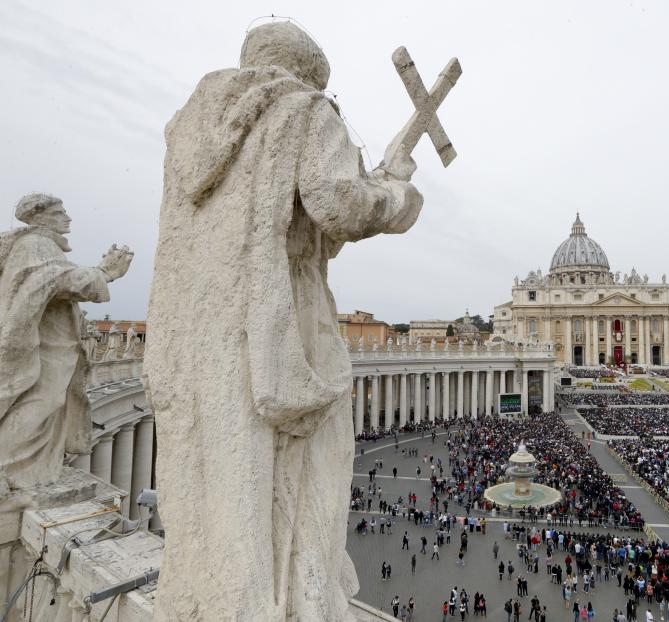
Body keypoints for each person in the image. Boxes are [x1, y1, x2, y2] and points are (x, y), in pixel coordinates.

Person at [145, 21, 424, 622]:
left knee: (220, 474)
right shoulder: (303, 109)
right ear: (310, 72)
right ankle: (297, 599)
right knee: (304, 471)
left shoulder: (189, 130)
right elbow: (339, 206)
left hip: (202, 331)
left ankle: (217, 598)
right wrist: (394, 186)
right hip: (282, 319)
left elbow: (304, 220)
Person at [0, 193, 132, 489]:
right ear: (39, 216)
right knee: (40, 401)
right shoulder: (35, 244)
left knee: (47, 402)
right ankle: (10, 468)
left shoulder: (42, 246)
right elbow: (54, 281)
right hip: (44, 346)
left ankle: (25, 469)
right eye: (60, 212)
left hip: (49, 341)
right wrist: (104, 273)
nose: (67, 218)